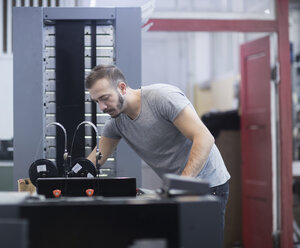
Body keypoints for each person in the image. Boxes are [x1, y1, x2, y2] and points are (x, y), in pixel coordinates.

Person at [86, 64, 230, 229]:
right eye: (97, 101)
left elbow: (204, 138)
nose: (102, 107)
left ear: (122, 87)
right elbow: (92, 163)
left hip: (208, 184)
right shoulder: (116, 124)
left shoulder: (162, 97)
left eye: (105, 98)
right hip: (179, 190)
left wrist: (180, 185)